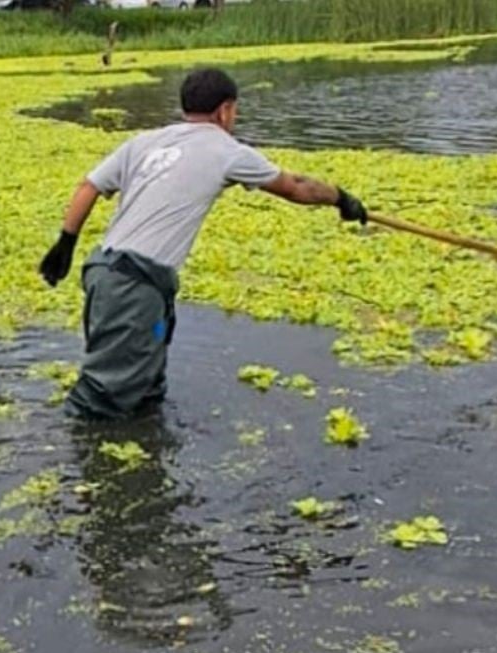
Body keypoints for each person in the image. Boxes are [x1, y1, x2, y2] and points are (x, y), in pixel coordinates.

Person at [39, 67, 369, 421]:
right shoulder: (227, 150)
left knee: (145, 385)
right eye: (235, 111)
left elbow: (89, 186)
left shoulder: (143, 142)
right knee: (100, 399)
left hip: (111, 275)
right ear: (225, 110)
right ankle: (68, 461)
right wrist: (341, 198)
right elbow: (296, 186)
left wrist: (66, 242)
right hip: (132, 289)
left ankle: (142, 455)